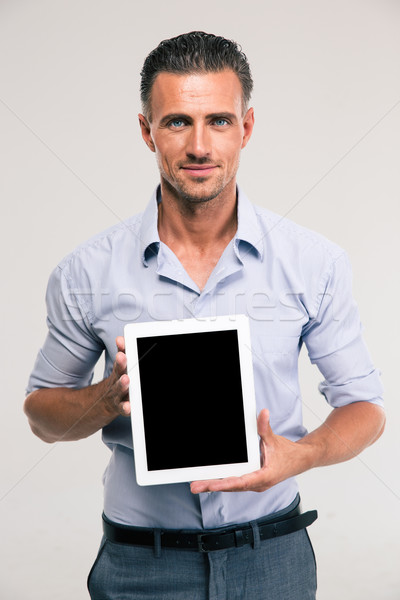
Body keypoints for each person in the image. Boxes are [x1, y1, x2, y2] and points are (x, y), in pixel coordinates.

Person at [24, 31, 385, 600]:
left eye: (218, 121)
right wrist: (104, 397)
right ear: (147, 130)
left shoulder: (313, 263)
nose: (199, 145)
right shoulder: (85, 273)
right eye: (176, 122)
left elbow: (365, 406)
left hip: (274, 559)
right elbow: (42, 415)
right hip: (141, 566)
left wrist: (304, 454)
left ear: (246, 128)